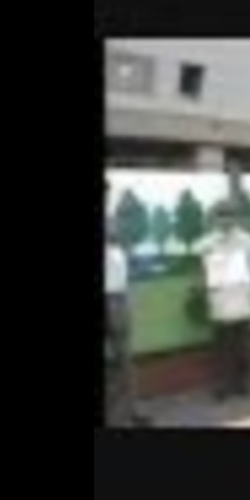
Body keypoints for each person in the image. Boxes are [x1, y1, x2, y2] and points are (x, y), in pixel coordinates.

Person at [192, 199, 250, 401]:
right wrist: (202, 284)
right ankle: (221, 386)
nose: (225, 220)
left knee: (243, 346)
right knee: (221, 347)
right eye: (221, 215)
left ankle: (242, 383)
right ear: (215, 219)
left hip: (243, 300)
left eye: (229, 215)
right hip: (220, 303)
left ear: (236, 218)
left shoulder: (249, 242)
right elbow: (199, 265)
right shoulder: (207, 243)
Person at [104, 180, 152, 427]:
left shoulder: (114, 221)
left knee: (125, 358)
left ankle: (133, 411)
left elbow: (126, 254)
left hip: (118, 297)